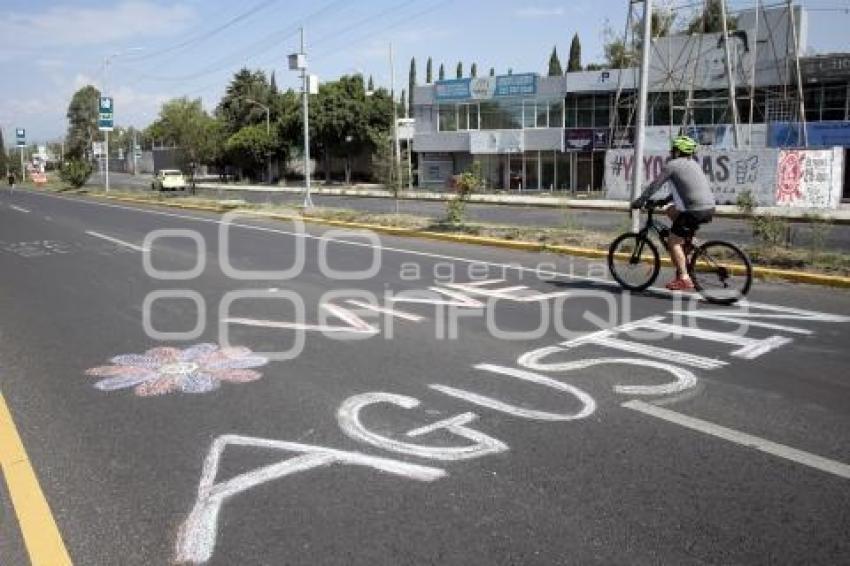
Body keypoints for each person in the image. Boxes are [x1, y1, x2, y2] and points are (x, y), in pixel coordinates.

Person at [631, 135, 716, 291]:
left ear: (677, 151)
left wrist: (640, 200)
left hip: (693, 210)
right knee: (669, 210)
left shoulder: (672, 165)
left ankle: (684, 278)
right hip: (708, 208)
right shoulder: (694, 165)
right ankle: (689, 243)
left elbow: (655, 185)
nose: (670, 152)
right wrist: (663, 200)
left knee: (673, 242)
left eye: (673, 150)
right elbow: (685, 190)